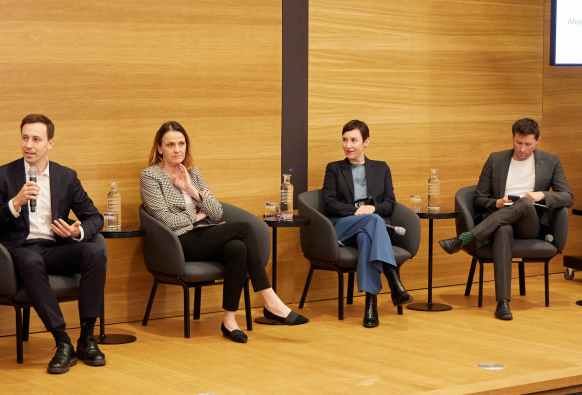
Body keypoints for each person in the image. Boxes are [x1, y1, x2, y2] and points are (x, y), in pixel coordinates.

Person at [140, 121, 309, 343]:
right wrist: (199, 215)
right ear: (160, 148)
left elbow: (217, 211)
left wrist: (191, 189)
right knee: (245, 228)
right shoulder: (150, 177)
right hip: (176, 243)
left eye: (181, 143)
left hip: (203, 235)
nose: (177, 149)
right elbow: (167, 221)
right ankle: (271, 300)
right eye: (170, 144)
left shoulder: (193, 173)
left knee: (238, 248)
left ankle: (229, 321)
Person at [0, 114, 107, 373]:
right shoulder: (3, 175)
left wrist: (78, 232)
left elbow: (95, 217)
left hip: (55, 248)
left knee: (94, 253)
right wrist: (15, 203)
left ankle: (87, 338)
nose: (29, 145)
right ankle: (62, 341)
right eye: (25, 138)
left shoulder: (66, 176)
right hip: (20, 250)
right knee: (31, 259)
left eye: (36, 139)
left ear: (50, 143)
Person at [439, 118, 573, 320]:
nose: (522, 149)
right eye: (518, 142)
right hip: (500, 219)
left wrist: (542, 195)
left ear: (537, 141)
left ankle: (464, 239)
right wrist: (496, 204)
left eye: (528, 144)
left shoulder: (551, 160)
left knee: (526, 203)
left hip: (531, 223)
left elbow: (568, 197)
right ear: (513, 138)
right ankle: (502, 302)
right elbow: (478, 199)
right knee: (503, 230)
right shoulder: (495, 159)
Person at [322, 120, 413, 328]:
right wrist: (357, 211)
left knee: (367, 236)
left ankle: (370, 307)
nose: (348, 145)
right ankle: (393, 279)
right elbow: (329, 204)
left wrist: (373, 208)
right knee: (372, 221)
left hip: (372, 228)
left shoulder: (381, 168)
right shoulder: (334, 169)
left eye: (354, 140)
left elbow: (390, 204)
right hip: (343, 227)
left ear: (366, 142)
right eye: (345, 140)